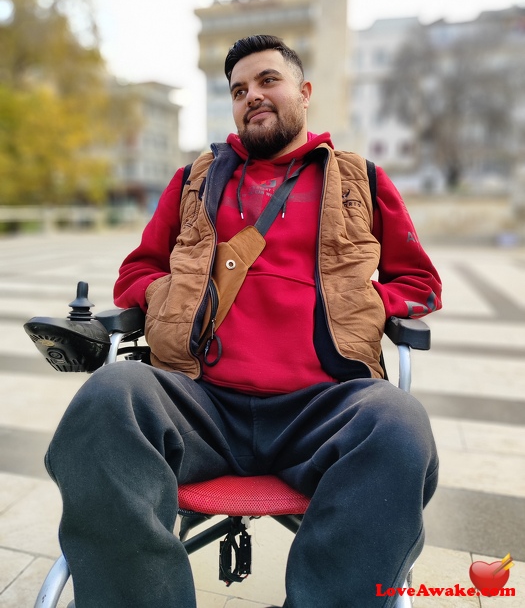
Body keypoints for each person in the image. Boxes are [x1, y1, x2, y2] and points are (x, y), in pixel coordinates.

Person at [45, 34, 442, 608]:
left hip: (321, 406)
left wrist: (370, 303)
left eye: (267, 81)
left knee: (398, 421)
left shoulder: (363, 181)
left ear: (303, 92)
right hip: (200, 401)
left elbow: (421, 284)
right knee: (108, 396)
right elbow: (137, 270)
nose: (252, 96)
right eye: (238, 90)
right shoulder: (193, 182)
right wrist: (166, 295)